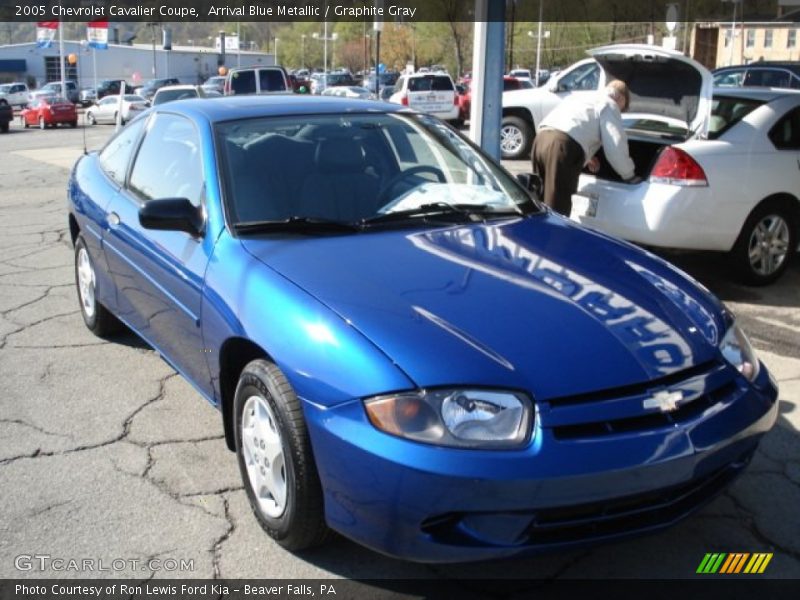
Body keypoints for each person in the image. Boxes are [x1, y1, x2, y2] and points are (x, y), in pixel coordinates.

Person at [531, 80, 638, 216]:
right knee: (556, 208)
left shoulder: (584, 97)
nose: (620, 112)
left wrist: (587, 156)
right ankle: (555, 237)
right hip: (560, 146)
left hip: (540, 140)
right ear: (621, 98)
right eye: (622, 108)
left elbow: (577, 125)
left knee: (537, 201)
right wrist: (629, 175)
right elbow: (615, 145)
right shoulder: (610, 104)